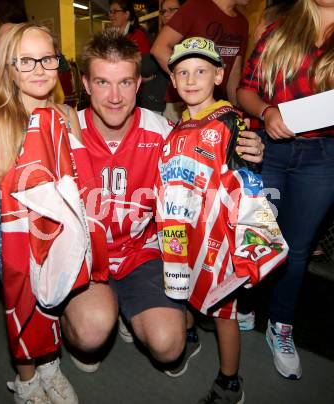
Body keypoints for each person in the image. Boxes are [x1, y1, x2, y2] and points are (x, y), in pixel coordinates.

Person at [59, 28, 264, 379]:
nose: (113, 96)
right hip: (86, 256)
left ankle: (130, 308)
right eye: (103, 82)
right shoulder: (63, 130)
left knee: (169, 346)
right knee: (91, 332)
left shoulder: (168, 133)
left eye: (124, 82)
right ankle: (95, 315)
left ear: (139, 82)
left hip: (143, 254)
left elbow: (215, 164)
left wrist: (248, 154)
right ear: (86, 84)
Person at [157, 36, 288, 403]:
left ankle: (229, 380)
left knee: (224, 311)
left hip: (221, 237)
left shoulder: (231, 122)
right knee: (180, 288)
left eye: (200, 70)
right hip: (182, 232)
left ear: (218, 74)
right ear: (173, 80)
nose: (191, 79)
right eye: (182, 72)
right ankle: (190, 335)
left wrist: (249, 243)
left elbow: (248, 183)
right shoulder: (178, 125)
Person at [0, 22, 98, 404]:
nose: (38, 69)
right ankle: (27, 379)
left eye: (47, 58)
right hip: (19, 234)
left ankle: (49, 364)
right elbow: (12, 193)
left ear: (58, 62)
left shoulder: (68, 113)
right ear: (10, 68)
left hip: (62, 227)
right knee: (25, 303)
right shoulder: (0, 118)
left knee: (54, 301)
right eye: (26, 61)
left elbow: (80, 175)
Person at [237, 0, 334, 380]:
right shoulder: (278, 28)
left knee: (296, 248)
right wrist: (266, 112)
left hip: (324, 157)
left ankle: (281, 324)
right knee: (256, 235)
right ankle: (244, 302)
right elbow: (245, 89)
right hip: (269, 151)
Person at [151, 0, 251, 106]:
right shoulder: (195, 7)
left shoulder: (242, 23)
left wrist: (235, 108)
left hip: (217, 105)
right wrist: (187, 80)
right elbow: (159, 48)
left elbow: (234, 71)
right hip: (184, 103)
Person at [138, 0, 186, 116]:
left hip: (174, 105)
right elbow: (144, 67)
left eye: (172, 10)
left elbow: (146, 66)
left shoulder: (189, 40)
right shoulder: (160, 37)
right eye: (163, 11)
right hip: (156, 104)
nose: (165, 14)